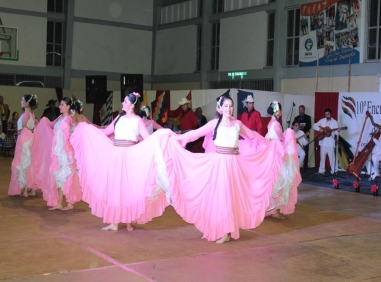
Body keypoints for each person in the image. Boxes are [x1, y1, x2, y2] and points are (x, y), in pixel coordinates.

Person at [169, 95, 284, 243]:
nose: (229, 109)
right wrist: (178, 138)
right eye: (226, 106)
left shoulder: (237, 124)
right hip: (219, 164)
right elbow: (195, 134)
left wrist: (266, 141)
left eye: (231, 106)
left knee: (230, 197)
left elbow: (252, 135)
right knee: (220, 197)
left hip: (233, 165)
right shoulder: (214, 124)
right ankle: (222, 229)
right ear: (220, 108)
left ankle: (227, 231)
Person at [70, 92, 170, 231]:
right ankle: (114, 222)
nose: (122, 103)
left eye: (125, 101)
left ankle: (128, 220)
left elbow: (148, 138)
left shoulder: (138, 121)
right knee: (115, 187)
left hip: (130, 156)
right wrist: (87, 128)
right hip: (116, 154)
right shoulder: (118, 117)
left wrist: (161, 138)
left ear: (132, 105)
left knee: (128, 187)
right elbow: (105, 132)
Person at [33, 97, 82, 210]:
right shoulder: (60, 117)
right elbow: (50, 125)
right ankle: (60, 203)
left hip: (65, 152)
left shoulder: (69, 119)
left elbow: (74, 131)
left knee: (67, 176)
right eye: (60, 104)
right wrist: (41, 121)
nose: (60, 107)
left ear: (68, 107)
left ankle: (70, 203)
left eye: (62, 104)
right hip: (57, 152)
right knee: (58, 176)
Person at [265, 101, 301, 220]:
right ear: (278, 111)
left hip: (272, 154)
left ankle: (271, 209)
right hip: (276, 155)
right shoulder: (276, 124)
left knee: (275, 181)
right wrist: (288, 133)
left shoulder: (270, 123)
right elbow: (281, 138)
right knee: (280, 180)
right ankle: (273, 210)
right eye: (280, 109)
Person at [8, 95, 38, 197]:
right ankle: (30, 188)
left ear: (27, 103)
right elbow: (34, 126)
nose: (21, 101)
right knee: (28, 162)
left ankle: (25, 189)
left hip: (24, 137)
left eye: (22, 100)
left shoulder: (26, 114)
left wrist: (20, 130)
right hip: (28, 137)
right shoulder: (32, 114)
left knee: (22, 162)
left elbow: (22, 127)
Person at [313, 108, 341, 175]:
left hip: (330, 143)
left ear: (331, 114)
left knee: (332, 157)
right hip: (322, 142)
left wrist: (338, 131)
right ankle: (321, 170)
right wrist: (319, 129)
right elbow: (314, 125)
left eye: (328, 114)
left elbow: (336, 133)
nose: (326, 115)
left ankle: (333, 171)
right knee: (322, 157)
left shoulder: (335, 122)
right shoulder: (322, 120)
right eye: (325, 114)